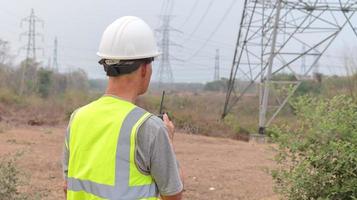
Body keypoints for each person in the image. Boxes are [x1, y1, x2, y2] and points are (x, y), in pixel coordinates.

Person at [62, 16, 183, 200]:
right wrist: (168, 144)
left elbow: (67, 187)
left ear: (106, 66)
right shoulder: (150, 128)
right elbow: (173, 195)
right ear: (144, 68)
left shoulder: (77, 118)